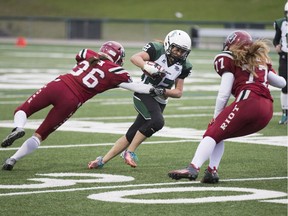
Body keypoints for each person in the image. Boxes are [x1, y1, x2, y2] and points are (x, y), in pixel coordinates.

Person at [1, 41, 163, 171]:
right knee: (39, 135)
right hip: (72, 100)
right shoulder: (116, 71)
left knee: (22, 110)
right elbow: (137, 87)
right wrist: (155, 89)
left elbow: (81, 57)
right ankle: (12, 159)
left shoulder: (87, 54)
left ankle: (18, 127)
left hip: (59, 85)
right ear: (117, 57)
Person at [168, 30, 286, 183]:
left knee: (212, 132)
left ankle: (193, 167)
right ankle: (212, 171)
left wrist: (217, 116)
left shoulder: (228, 59)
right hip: (267, 110)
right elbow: (281, 83)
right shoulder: (260, 60)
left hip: (248, 101)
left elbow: (224, 92)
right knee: (219, 134)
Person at [88, 30, 193, 169]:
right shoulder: (156, 49)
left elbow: (178, 92)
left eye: (182, 51)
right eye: (177, 49)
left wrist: (162, 91)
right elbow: (135, 57)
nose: (179, 53)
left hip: (160, 99)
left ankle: (102, 160)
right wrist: (146, 66)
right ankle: (129, 152)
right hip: (143, 91)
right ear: (168, 44)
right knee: (157, 121)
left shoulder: (184, 66)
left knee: (132, 133)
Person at [273, 2, 288, 124]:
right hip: (285, 57)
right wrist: (276, 45)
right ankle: (285, 113)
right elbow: (276, 39)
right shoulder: (281, 23)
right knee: (284, 85)